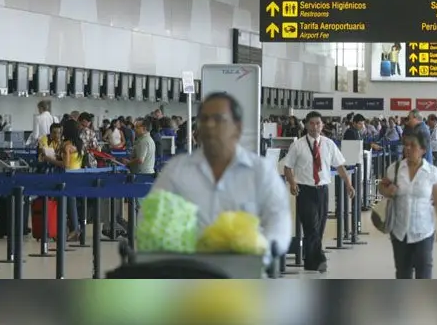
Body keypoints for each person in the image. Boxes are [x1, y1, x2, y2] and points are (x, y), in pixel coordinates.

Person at [144, 93, 291, 260]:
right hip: (190, 271)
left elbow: (279, 221)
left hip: (244, 272)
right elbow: (151, 220)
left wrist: (261, 251)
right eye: (204, 119)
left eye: (219, 119)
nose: (210, 125)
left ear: (238, 127)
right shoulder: (177, 170)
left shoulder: (260, 172)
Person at [283, 111, 355, 273]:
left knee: (320, 226)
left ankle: (310, 261)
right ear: (306, 125)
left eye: (318, 123)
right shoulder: (298, 145)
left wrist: (348, 184)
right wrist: (292, 182)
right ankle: (320, 259)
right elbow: (288, 167)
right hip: (305, 190)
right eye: (312, 123)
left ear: (323, 125)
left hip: (322, 190)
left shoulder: (329, 144)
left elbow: (340, 167)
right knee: (311, 227)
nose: (315, 126)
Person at [379, 128, 437, 278]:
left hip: (423, 231)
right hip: (399, 232)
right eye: (405, 145)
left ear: (423, 149)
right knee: (403, 273)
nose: (407, 148)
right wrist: (387, 191)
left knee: (424, 274)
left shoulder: (432, 172)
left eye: (412, 145)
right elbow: (381, 186)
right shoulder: (395, 169)